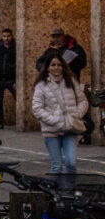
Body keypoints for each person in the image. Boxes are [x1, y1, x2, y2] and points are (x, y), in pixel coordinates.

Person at [33, 53, 84, 186]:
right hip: (51, 131)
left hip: (70, 128)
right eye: (53, 65)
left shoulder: (71, 81)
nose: (56, 68)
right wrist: (54, 120)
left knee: (71, 163)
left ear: (63, 67)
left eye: (59, 65)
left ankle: (71, 192)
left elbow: (83, 101)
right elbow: (37, 109)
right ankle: (55, 196)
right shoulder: (41, 85)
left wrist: (76, 114)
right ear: (48, 67)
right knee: (56, 165)